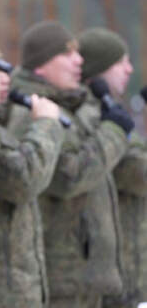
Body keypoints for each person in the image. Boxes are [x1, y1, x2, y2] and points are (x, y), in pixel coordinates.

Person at [9, 21, 131, 308]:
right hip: (60, 275)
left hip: (76, 274)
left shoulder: (62, 105)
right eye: (67, 54)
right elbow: (67, 178)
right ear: (40, 66)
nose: (78, 61)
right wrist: (113, 134)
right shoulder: (34, 110)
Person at [0, 56, 64, 308]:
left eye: (5, 71)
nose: (5, 79)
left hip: (13, 288)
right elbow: (22, 180)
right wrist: (46, 124)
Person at [78, 27, 147, 308]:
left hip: (124, 273)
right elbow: (137, 173)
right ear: (99, 68)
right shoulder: (93, 117)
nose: (129, 70)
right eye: (121, 63)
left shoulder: (109, 112)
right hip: (101, 279)